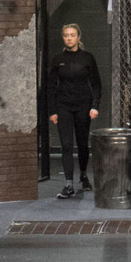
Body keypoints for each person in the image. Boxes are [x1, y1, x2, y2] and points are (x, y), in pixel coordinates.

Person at [44, 24, 101, 200]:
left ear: (78, 37)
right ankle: (68, 184)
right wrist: (52, 111)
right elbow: (50, 87)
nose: (69, 38)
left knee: (82, 144)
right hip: (64, 107)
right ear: (63, 38)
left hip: (83, 106)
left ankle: (83, 175)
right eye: (66, 35)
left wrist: (95, 106)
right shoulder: (58, 59)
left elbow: (96, 84)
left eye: (72, 35)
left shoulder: (87, 58)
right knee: (67, 145)